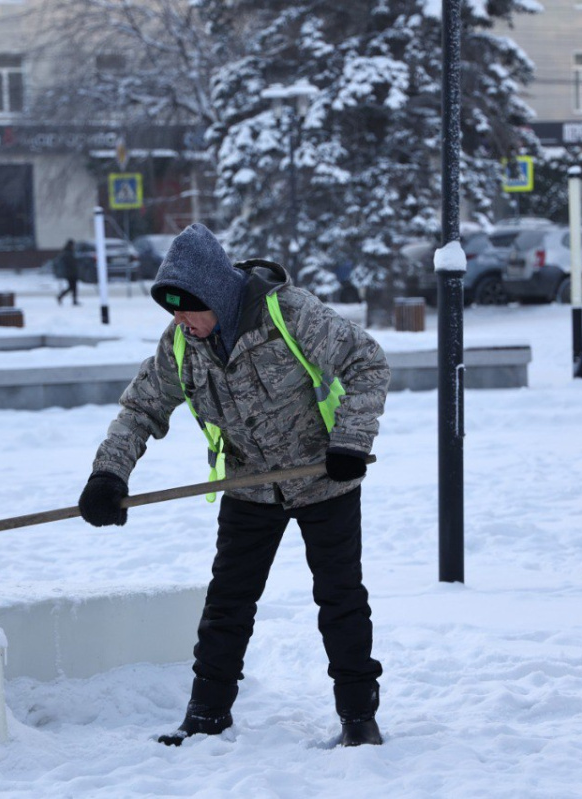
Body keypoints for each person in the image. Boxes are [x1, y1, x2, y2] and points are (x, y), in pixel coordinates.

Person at [77, 223, 390, 748]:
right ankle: (205, 716)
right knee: (227, 603)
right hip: (248, 485)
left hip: (323, 478)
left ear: (217, 294)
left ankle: (359, 719)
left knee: (340, 601)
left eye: (188, 308)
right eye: (171, 310)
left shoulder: (290, 314)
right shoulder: (182, 344)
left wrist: (350, 442)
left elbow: (367, 362)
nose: (180, 320)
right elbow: (141, 408)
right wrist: (109, 474)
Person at [56, 239, 80, 306]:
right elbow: (71, 263)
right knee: (72, 287)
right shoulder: (68, 253)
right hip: (70, 273)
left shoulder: (69, 252)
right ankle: (61, 296)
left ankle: (73, 300)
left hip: (71, 272)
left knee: (73, 287)